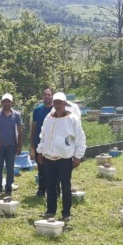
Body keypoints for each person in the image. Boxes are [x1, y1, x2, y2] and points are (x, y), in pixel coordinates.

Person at [36, 92, 86, 222]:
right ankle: (50, 210)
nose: (57, 105)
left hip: (65, 158)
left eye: (60, 102)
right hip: (49, 157)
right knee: (50, 185)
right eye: (55, 102)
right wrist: (40, 152)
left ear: (64, 104)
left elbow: (80, 138)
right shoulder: (49, 117)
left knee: (65, 186)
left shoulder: (72, 119)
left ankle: (66, 212)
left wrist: (78, 156)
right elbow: (43, 135)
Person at [0, 93, 23, 196]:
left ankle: (9, 188)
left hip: (11, 146)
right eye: (4, 101)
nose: (6, 103)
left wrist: (19, 145)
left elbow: (20, 130)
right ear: (2, 102)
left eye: (8, 101)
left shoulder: (16, 115)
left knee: (10, 168)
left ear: (12, 103)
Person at [31, 88, 54, 197]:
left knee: (54, 168)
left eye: (49, 94)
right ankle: (41, 189)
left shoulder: (56, 109)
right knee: (41, 168)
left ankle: (55, 190)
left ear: (52, 96)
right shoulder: (37, 110)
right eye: (45, 94)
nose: (47, 96)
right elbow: (34, 127)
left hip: (53, 144)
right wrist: (32, 143)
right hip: (39, 143)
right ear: (42, 96)